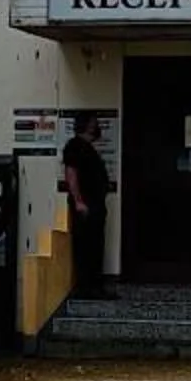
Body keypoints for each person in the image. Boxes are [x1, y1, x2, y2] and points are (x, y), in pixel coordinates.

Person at [62, 113, 110, 296]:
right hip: (85, 207)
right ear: (87, 125)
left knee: (95, 245)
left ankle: (95, 285)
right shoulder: (74, 146)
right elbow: (71, 174)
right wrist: (79, 201)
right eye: (94, 123)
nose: (97, 126)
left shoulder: (88, 147)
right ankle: (86, 286)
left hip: (94, 205)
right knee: (85, 246)